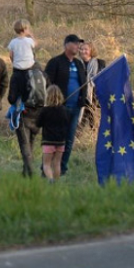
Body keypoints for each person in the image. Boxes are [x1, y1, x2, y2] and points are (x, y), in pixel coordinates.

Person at [44, 34, 88, 175]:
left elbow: (84, 83)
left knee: (69, 140)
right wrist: (54, 101)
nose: (78, 46)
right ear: (67, 45)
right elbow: (47, 82)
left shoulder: (79, 64)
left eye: (79, 44)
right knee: (55, 140)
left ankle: (62, 168)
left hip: (75, 108)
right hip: (59, 108)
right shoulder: (55, 62)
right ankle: (47, 166)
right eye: (75, 43)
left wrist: (83, 99)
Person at [37, 85, 70, 182]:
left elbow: (38, 123)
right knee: (57, 163)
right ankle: (56, 182)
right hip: (61, 141)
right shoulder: (65, 111)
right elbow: (67, 123)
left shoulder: (45, 110)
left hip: (48, 141)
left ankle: (50, 180)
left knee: (46, 164)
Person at [78, 41, 106, 132]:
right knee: (82, 119)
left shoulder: (100, 63)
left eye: (86, 49)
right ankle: (78, 138)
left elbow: (102, 79)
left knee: (91, 118)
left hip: (93, 96)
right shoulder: (76, 63)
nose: (83, 51)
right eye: (81, 49)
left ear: (91, 51)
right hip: (80, 95)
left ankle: (92, 137)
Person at [7, 19, 36, 105]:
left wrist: (14, 61)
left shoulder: (13, 42)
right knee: (27, 90)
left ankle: (15, 103)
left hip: (17, 69)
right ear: (24, 29)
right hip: (29, 69)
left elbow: (11, 55)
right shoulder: (29, 40)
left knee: (16, 89)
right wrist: (32, 36)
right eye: (28, 29)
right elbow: (35, 44)